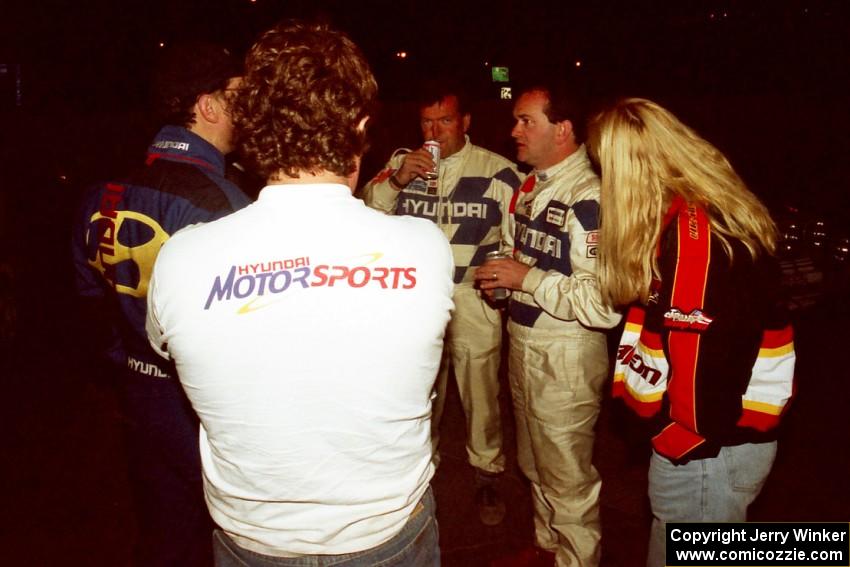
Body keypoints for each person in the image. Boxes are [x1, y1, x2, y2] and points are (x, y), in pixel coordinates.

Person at [145, 21, 454, 566]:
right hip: (388, 537)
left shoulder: (181, 258)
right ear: (359, 126)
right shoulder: (423, 249)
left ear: (251, 127)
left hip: (252, 543)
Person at [587, 98, 796, 567]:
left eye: (606, 168)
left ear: (630, 169)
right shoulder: (696, 216)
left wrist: (678, 441)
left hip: (708, 453)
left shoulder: (695, 236)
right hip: (720, 447)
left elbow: (703, 362)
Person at [71, 42, 251, 566]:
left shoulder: (102, 190)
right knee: (225, 534)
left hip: (137, 397)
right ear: (208, 106)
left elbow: (89, 302)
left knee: (163, 531)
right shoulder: (222, 205)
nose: (248, 106)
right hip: (202, 408)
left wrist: (130, 365)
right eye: (237, 95)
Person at [362, 81, 522, 525]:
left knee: (480, 391)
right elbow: (368, 213)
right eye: (427, 122)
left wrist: (502, 281)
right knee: (419, 388)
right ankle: (421, 469)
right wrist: (398, 178)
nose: (435, 131)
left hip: (472, 296)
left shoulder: (499, 171)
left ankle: (487, 473)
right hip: (415, 299)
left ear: (465, 122)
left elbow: (518, 237)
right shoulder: (401, 163)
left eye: (445, 120)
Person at [476, 83, 621, 567]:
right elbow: (526, 258)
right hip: (525, 343)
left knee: (567, 477)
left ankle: (577, 559)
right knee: (534, 464)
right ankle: (547, 548)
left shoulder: (589, 197)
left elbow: (603, 305)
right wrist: (505, 278)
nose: (514, 130)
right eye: (516, 120)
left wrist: (527, 278)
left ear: (562, 130)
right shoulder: (532, 184)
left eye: (526, 121)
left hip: (565, 353)